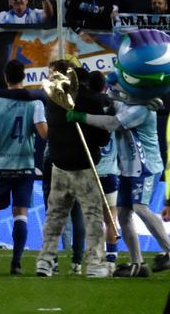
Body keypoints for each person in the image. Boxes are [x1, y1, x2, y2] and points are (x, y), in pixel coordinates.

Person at [74, 82, 170, 275]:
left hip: (146, 167)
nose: (115, 89)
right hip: (127, 169)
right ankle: (138, 264)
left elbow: (113, 123)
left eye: (118, 85)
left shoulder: (141, 108)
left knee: (140, 208)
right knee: (124, 215)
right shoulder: (123, 102)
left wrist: (83, 117)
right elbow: (107, 104)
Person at [35, 62, 113, 279]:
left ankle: (45, 260)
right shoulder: (89, 100)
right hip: (83, 167)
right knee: (92, 215)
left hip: (58, 165)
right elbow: (103, 137)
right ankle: (95, 263)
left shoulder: (53, 101)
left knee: (55, 215)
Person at [0, 59, 48, 275]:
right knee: (20, 213)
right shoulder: (35, 103)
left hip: (1, 166)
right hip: (25, 167)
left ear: (6, 77)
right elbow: (44, 134)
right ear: (23, 76)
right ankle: (16, 264)